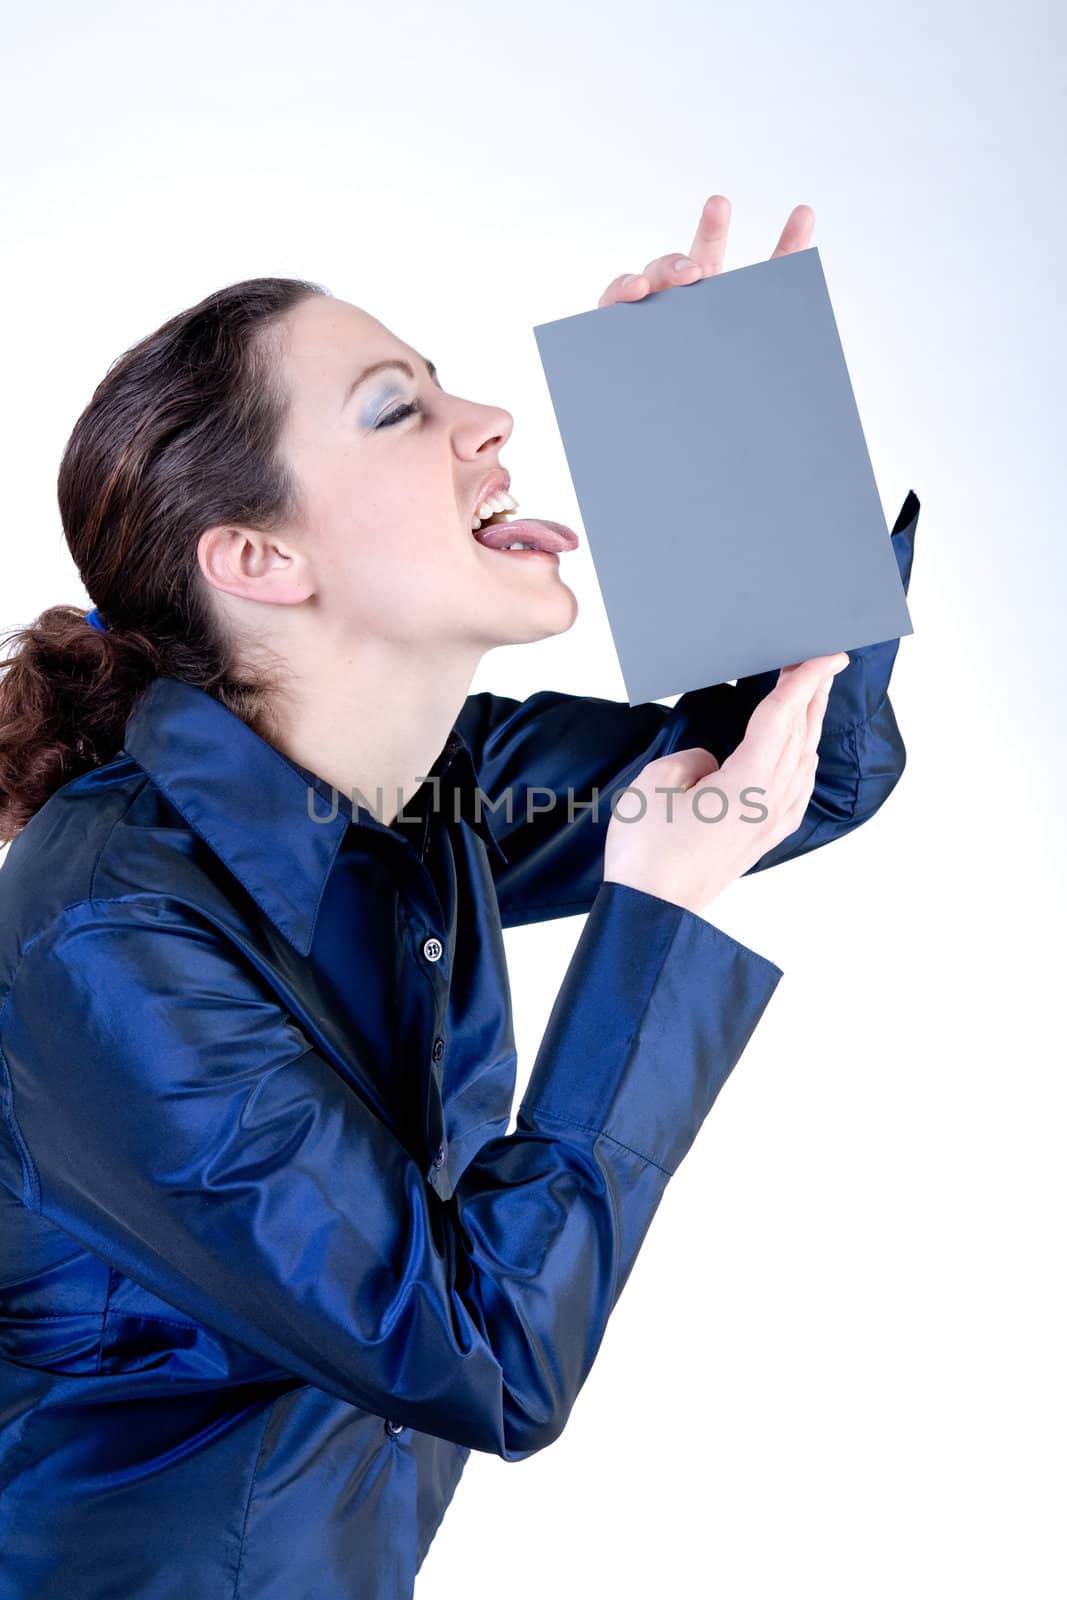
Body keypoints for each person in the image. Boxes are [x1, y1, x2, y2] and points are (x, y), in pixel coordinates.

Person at [0, 269, 919, 1598]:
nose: (489, 419)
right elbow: (484, 1350)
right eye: (399, 410)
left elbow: (803, 773)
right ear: (260, 558)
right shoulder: (105, 931)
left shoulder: (431, 789)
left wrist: (721, 412)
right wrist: (652, 915)